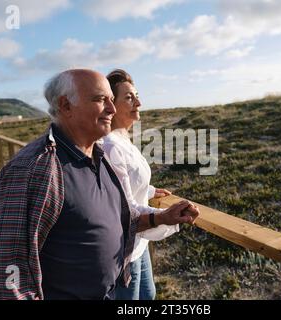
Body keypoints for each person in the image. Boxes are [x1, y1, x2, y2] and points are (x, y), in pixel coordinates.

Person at [0, 69, 199, 300]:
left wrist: (162, 217)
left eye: (112, 101)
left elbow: (115, 219)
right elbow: (5, 274)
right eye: (100, 99)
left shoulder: (99, 157)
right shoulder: (32, 169)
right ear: (65, 106)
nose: (112, 109)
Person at [102, 69, 175, 300]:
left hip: (139, 244)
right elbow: (124, 207)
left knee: (149, 296)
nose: (139, 102)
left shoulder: (123, 139)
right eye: (129, 98)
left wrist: (151, 191)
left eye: (137, 95)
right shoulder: (109, 146)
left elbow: (125, 183)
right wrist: (166, 215)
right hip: (122, 251)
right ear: (111, 104)